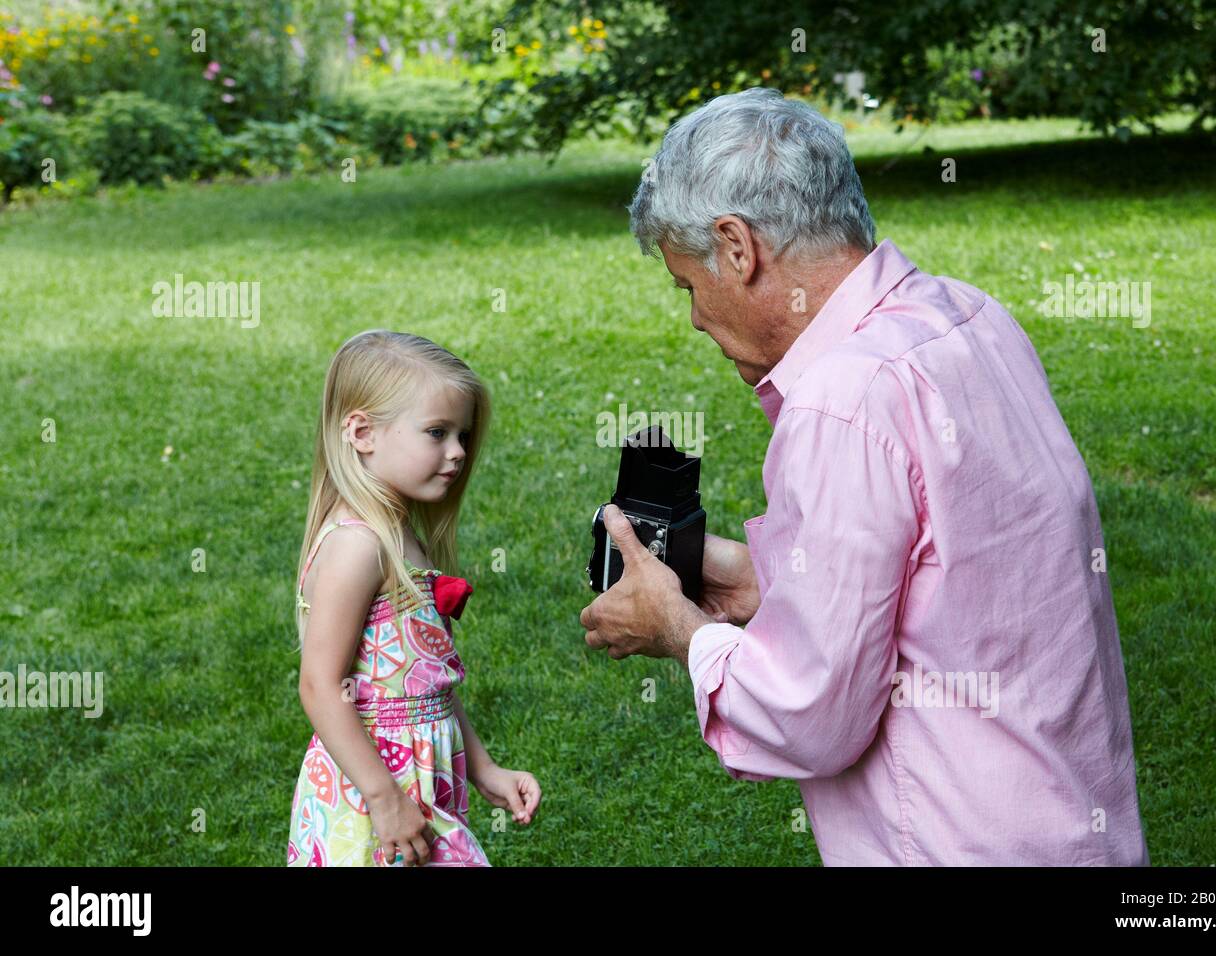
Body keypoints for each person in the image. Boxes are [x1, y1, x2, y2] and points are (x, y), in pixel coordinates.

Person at [580, 88, 1149, 865]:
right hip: (1073, 825)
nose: (695, 318)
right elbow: (961, 571)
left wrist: (680, 632)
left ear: (737, 247)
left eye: (689, 285)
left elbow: (810, 716)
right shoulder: (969, 317)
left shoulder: (841, 403)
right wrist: (758, 581)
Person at [288, 329, 540, 867]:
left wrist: (485, 768)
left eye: (463, 436)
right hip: (374, 795)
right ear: (362, 432)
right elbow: (319, 684)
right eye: (436, 432)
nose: (457, 453)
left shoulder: (400, 537)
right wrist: (384, 800)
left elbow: (430, 685)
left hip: (419, 783)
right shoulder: (358, 546)